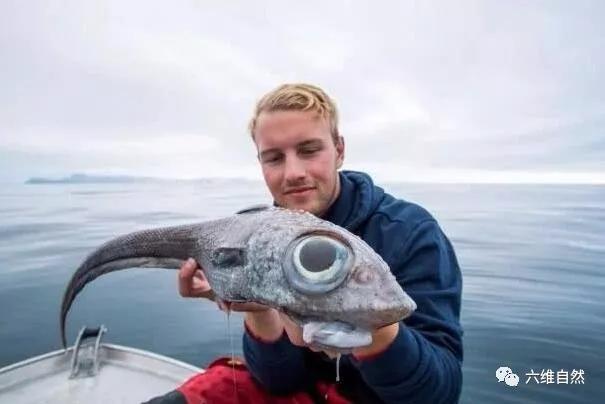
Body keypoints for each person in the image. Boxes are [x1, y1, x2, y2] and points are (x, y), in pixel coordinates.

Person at [145, 83, 463, 403]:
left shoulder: (410, 232)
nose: (293, 173)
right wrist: (259, 308)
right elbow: (278, 381)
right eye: (274, 158)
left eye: (309, 150)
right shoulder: (257, 240)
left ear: (339, 150)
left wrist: (372, 325)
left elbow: (439, 393)